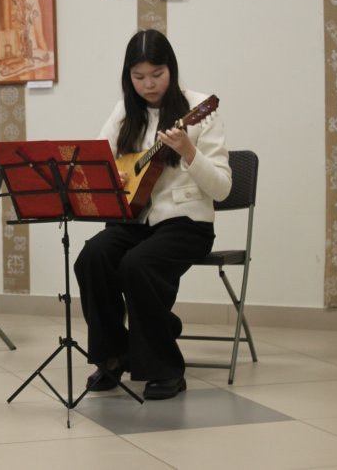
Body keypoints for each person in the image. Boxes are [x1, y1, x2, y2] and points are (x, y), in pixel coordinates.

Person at [75, 29, 231, 400]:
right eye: (139, 76)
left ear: (171, 69)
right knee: (92, 256)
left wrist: (189, 152)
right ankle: (113, 356)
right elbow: (96, 163)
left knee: (137, 265)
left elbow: (222, 188)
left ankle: (165, 369)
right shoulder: (124, 111)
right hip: (135, 219)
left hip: (187, 223)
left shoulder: (200, 109)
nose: (148, 84)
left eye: (157, 74)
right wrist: (113, 176)